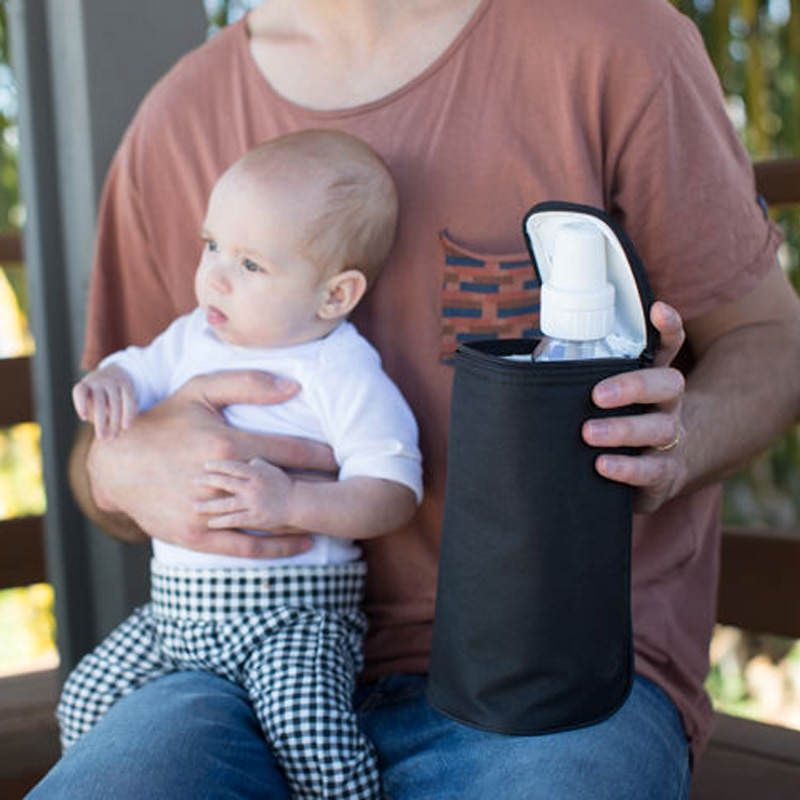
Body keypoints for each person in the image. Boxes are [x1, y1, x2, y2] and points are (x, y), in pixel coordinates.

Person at [30, 0, 800, 798]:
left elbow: (771, 343)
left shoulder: (618, 44)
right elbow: (103, 445)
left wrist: (676, 445)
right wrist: (122, 474)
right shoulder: (180, 117)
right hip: (216, 667)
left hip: (554, 675)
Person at [58, 130, 422, 800]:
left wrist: (292, 504)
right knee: (85, 699)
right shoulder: (191, 336)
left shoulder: (340, 369)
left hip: (293, 620)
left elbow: (393, 489)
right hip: (177, 618)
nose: (215, 275)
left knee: (309, 736)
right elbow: (133, 373)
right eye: (212, 245)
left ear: (334, 295)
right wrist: (110, 383)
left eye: (252, 264)